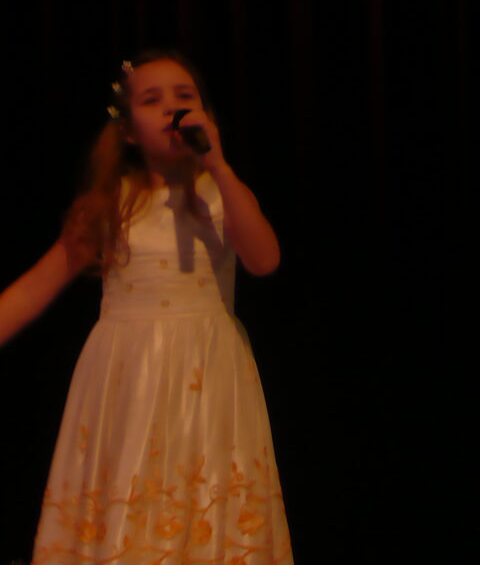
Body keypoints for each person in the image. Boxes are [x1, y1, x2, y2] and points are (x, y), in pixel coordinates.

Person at [0, 49, 294, 564]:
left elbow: (265, 259)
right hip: (126, 379)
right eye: (152, 100)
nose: (172, 109)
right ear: (128, 131)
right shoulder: (110, 204)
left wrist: (218, 165)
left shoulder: (221, 195)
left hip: (207, 375)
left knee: (205, 500)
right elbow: (31, 291)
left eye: (184, 97)